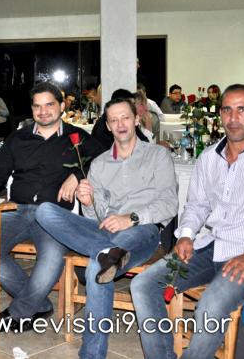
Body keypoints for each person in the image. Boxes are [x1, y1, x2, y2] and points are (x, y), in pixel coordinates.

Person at [131, 84, 244, 359]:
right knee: (143, 285)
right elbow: (197, 205)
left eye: (242, 110)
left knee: (210, 306)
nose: (233, 118)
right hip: (211, 247)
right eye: (227, 110)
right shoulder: (208, 158)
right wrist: (186, 235)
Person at [36, 97, 177, 359]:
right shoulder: (99, 163)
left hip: (143, 231)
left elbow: (169, 204)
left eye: (125, 118)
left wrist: (131, 218)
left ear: (136, 120)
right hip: (105, 231)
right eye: (114, 120)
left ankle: (91, 355)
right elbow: (97, 216)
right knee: (44, 211)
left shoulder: (158, 155)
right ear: (108, 126)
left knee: (96, 268)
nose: (120, 124)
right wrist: (88, 202)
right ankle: (107, 252)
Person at [0, 82, 104, 332]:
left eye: (49, 105)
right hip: (16, 210)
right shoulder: (18, 138)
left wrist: (78, 174)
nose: (43, 111)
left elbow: (106, 162)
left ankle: (20, 312)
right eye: (37, 106)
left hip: (54, 215)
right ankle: (39, 304)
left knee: (52, 257)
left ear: (62, 106)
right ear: (32, 109)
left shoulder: (77, 138)